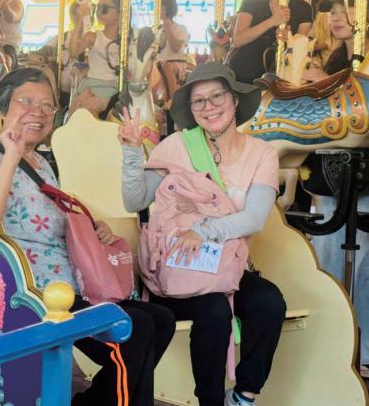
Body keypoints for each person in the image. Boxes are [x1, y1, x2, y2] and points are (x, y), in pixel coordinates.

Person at [0, 67, 176, 405]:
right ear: (4, 108)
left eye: (47, 105)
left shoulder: (43, 164)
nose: (38, 112)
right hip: (36, 294)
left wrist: (92, 227)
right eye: (26, 102)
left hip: (74, 287)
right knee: (136, 329)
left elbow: (55, 219)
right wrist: (11, 156)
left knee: (160, 319)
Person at [119, 62, 286, 406]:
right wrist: (132, 152)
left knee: (269, 302)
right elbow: (135, 200)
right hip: (175, 267)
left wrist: (203, 230)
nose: (209, 107)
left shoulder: (262, 154)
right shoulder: (176, 145)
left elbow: (255, 218)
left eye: (217, 97)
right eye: (199, 101)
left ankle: (243, 395)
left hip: (225, 267)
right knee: (214, 309)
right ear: (191, 109)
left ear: (234, 100)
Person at [300, 0, 369, 377]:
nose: (339, 18)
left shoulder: (357, 63)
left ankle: (358, 342)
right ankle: (333, 336)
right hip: (334, 167)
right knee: (328, 252)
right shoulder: (337, 57)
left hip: (357, 167)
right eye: (336, 12)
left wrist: (323, 84)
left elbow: (357, 107)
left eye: (347, 12)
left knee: (360, 262)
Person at [229, 0, 312, 84]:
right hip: (246, 69)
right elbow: (238, 40)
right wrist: (272, 21)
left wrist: (290, 38)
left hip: (284, 73)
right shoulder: (252, 2)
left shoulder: (303, 8)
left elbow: (302, 44)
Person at [69, 0, 120, 117]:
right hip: (93, 87)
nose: (99, 12)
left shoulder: (126, 41)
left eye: (104, 8)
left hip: (114, 88)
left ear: (119, 13)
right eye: (98, 8)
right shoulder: (92, 36)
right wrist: (79, 20)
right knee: (81, 111)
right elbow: (74, 51)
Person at [157, 0, 189, 102]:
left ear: (165, 10)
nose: (156, 11)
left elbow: (175, 48)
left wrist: (167, 26)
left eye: (159, 8)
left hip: (175, 63)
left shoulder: (180, 29)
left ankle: (173, 101)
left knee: (167, 66)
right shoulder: (158, 31)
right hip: (159, 62)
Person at [0, 0, 24, 71]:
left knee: (8, 56)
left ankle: (6, 71)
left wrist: (2, 4)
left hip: (9, 44)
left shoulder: (16, 3)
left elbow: (11, 17)